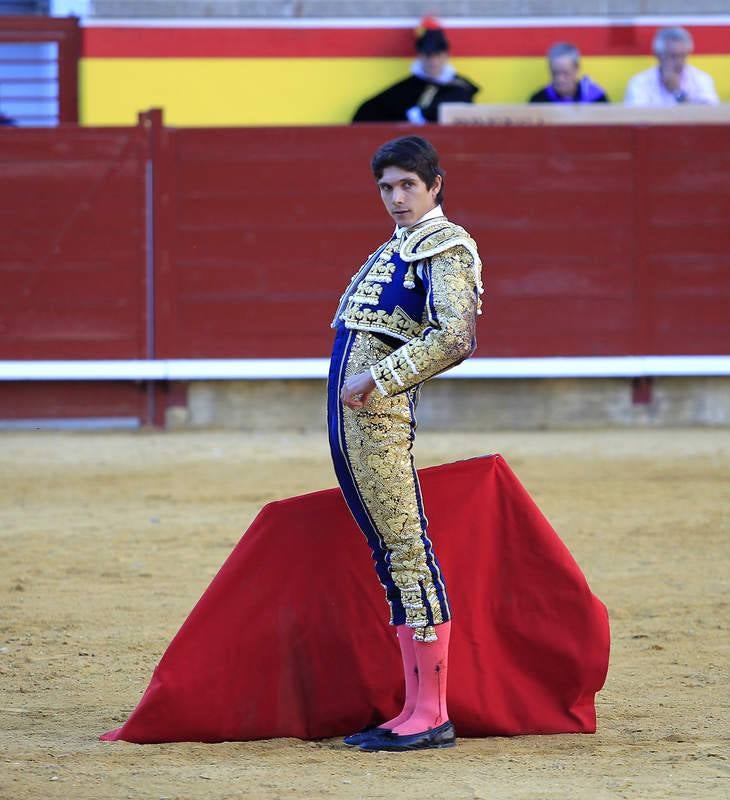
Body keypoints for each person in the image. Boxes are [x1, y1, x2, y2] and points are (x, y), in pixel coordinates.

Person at [327, 136, 483, 752]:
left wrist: (380, 378)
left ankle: (434, 713)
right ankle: (413, 706)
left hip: (382, 422)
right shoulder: (396, 249)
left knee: (407, 553)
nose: (395, 198)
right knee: (391, 557)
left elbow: (455, 338)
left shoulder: (446, 245)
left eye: (407, 186)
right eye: (386, 188)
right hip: (355, 429)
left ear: (435, 185)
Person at [352, 17, 479, 124]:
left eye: (438, 55)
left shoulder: (461, 86)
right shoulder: (407, 88)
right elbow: (367, 113)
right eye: (428, 56)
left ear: (446, 55)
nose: (433, 62)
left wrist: (425, 114)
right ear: (420, 56)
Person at [624, 26, 719, 106]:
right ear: (658, 55)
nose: (679, 61)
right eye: (673, 56)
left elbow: (710, 116)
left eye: (683, 55)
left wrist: (678, 93)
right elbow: (636, 118)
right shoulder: (639, 82)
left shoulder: (701, 79)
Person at [529, 42, 608, 103]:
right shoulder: (539, 100)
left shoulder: (596, 98)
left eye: (565, 73)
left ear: (577, 69)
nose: (560, 79)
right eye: (555, 73)